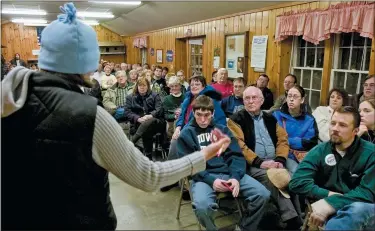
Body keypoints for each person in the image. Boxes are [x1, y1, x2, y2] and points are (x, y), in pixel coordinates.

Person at [1, 3, 231, 229]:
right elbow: (148, 176)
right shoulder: (89, 115)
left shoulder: (9, 98)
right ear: (87, 63)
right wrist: (202, 155)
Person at [177, 95, 270, 231]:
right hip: (203, 177)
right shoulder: (186, 134)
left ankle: (244, 227)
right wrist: (211, 181)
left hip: (229, 174)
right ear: (193, 113)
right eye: (199, 115)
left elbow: (236, 155)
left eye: (207, 115)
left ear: (213, 113)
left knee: (263, 194)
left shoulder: (223, 130)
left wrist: (235, 177)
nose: (203, 120)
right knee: (202, 207)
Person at [289, 106, 375, 230]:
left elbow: (367, 193)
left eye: (342, 125)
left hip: (361, 209)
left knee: (356, 211)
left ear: (355, 131)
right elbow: (297, 182)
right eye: (333, 123)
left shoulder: (370, 153)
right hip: (327, 207)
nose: (335, 129)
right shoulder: (320, 151)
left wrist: (333, 203)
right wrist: (327, 194)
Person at [228, 86, 302, 229]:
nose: (250, 101)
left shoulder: (270, 118)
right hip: (252, 165)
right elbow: (239, 146)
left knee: (294, 176)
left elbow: (283, 140)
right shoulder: (235, 120)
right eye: (247, 99)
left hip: (275, 161)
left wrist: (280, 159)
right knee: (273, 178)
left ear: (261, 100)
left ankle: (297, 214)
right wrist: (260, 162)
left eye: (254, 98)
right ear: (243, 101)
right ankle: (292, 218)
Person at [272, 85, 318, 173]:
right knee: (296, 172)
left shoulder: (309, 119)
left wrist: (287, 140)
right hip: (283, 154)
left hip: (303, 155)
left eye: (295, 96)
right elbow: (274, 138)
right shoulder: (276, 115)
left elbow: (311, 142)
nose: (291, 99)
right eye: (289, 96)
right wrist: (298, 141)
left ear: (302, 100)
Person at [124, 77, 166, 160]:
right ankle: (148, 155)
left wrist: (150, 115)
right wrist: (138, 118)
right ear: (137, 87)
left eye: (144, 86)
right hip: (139, 123)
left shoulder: (155, 95)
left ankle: (133, 142)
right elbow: (127, 112)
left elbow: (159, 109)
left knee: (149, 121)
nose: (142, 88)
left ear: (148, 87)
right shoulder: (130, 97)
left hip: (156, 123)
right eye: (140, 86)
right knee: (147, 129)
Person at [103, 70, 135, 137]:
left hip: (131, 110)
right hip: (117, 111)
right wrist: (114, 107)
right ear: (116, 79)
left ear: (126, 77)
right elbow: (106, 101)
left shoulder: (134, 87)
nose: (120, 78)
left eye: (122, 76)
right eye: (118, 77)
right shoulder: (111, 89)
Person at [162, 76, 185, 140]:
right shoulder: (166, 99)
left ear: (180, 86)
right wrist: (174, 116)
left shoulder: (186, 97)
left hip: (184, 121)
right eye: (172, 86)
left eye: (176, 86)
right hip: (171, 123)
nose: (174, 88)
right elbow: (165, 115)